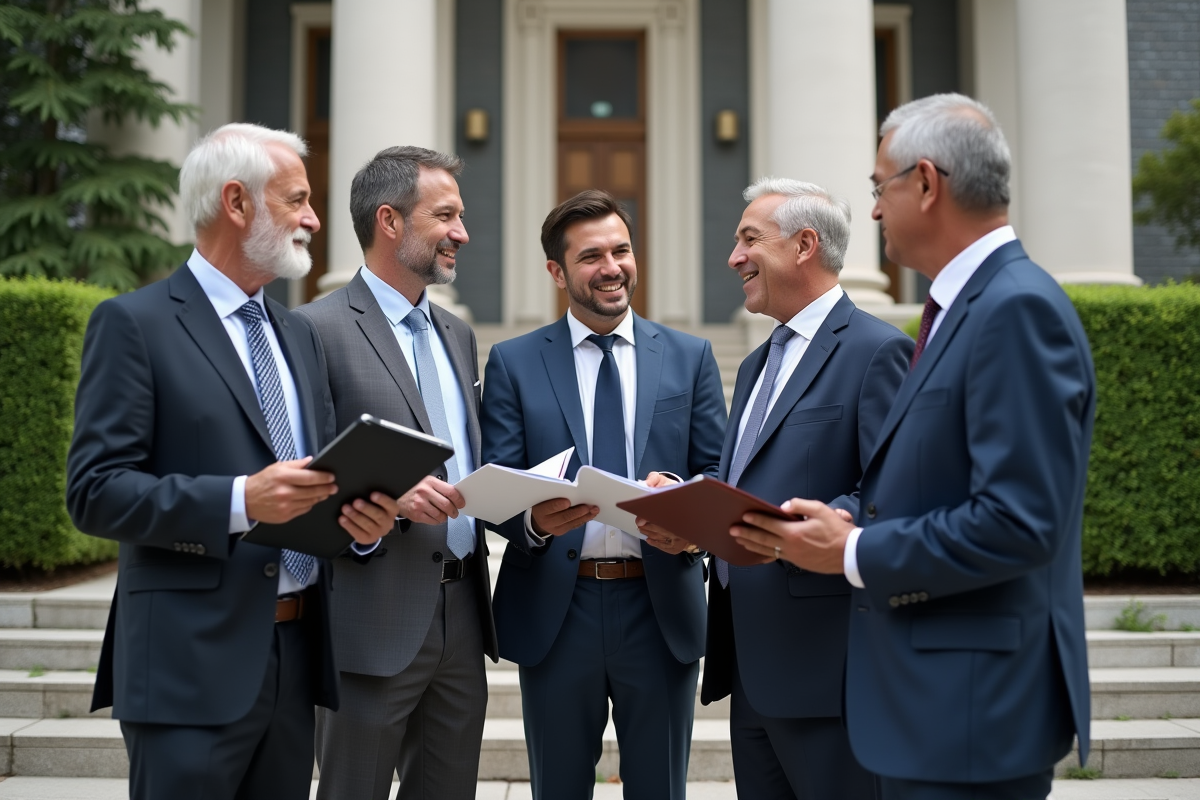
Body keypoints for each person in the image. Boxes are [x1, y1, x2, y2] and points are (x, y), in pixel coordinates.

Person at [731, 93, 1095, 800]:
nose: (870, 211)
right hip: (931, 704)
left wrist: (852, 549)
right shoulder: (963, 308)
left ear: (926, 184)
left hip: (971, 709)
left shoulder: (1014, 309)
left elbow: (1021, 523)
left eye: (878, 188)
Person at [65, 122, 398, 800]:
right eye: (297, 199)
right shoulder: (135, 324)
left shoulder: (298, 336)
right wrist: (241, 501)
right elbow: (95, 490)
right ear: (237, 203)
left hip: (295, 661)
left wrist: (359, 528)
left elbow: (319, 481)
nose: (312, 219)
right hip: (187, 671)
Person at [480, 190, 727, 800]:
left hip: (659, 603)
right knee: (558, 789)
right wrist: (534, 522)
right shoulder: (513, 362)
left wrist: (683, 502)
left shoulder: (690, 358)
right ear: (556, 272)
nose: (613, 267)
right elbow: (496, 479)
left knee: (660, 789)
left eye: (621, 250)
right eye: (591, 256)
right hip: (557, 612)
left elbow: (718, 471)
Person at [692, 178, 911, 799]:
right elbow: (748, 478)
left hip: (828, 672)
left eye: (749, 239)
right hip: (751, 671)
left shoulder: (878, 351)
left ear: (804, 246)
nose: (734, 257)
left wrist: (799, 528)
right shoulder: (759, 361)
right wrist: (688, 498)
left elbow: (893, 491)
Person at [297, 146, 498, 800]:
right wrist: (373, 510)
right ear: (390, 222)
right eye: (446, 216)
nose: (462, 233)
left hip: (464, 616)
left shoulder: (457, 333)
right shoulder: (313, 331)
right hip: (368, 616)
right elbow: (295, 479)